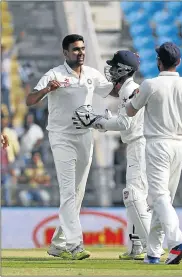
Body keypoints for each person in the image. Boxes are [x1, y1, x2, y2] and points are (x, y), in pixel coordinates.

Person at [125, 42, 182, 264]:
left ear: (159, 62)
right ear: (179, 62)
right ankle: (153, 253)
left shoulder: (149, 84)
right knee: (162, 198)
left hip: (157, 144)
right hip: (178, 146)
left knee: (158, 197)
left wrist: (134, 96)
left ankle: (177, 242)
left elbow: (130, 112)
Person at [26, 34, 116, 260]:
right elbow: (29, 100)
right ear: (65, 53)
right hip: (61, 137)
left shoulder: (91, 74)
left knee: (77, 194)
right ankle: (75, 245)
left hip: (85, 136)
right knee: (67, 192)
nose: (81, 53)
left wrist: (127, 80)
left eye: (82, 49)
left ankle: (57, 244)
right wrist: (46, 90)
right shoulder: (55, 74)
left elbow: (111, 91)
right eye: (76, 49)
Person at [72, 50, 164, 260]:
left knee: (133, 195)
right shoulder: (128, 89)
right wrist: (104, 120)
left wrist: (95, 121)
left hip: (140, 146)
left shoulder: (129, 89)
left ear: (123, 69)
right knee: (136, 197)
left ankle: (154, 247)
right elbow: (124, 120)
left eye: (114, 66)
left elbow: (125, 123)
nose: (111, 70)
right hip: (137, 145)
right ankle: (136, 247)